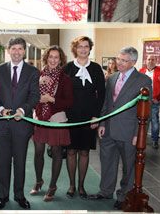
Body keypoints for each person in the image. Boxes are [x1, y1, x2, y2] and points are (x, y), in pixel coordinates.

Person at [89, 47, 152, 210]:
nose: (119, 63)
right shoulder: (112, 78)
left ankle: (124, 196)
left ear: (133, 62)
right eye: (118, 59)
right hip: (108, 129)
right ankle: (105, 191)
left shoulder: (143, 80)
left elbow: (146, 110)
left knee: (129, 167)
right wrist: (102, 123)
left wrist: (140, 133)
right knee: (107, 163)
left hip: (129, 132)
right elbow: (107, 102)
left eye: (123, 60)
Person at [0, 37, 40, 210]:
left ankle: (19, 195)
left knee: (20, 162)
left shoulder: (33, 71)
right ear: (8, 50)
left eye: (20, 49)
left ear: (24, 51)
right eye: (14, 48)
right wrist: (1, 110)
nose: (17, 52)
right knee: (3, 162)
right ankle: (2, 196)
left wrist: (23, 110)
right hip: (3, 125)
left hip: (22, 125)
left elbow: (34, 96)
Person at [63, 36, 105, 199]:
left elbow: (101, 95)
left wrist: (97, 116)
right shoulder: (67, 68)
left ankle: (81, 185)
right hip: (71, 116)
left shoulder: (96, 68)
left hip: (89, 116)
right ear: (75, 49)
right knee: (71, 151)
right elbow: (62, 93)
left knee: (85, 152)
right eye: (80, 46)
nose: (83, 49)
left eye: (86, 46)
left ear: (89, 48)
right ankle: (72, 185)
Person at [30, 46, 74, 201]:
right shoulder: (38, 75)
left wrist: (52, 99)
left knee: (56, 153)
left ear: (61, 60)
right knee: (38, 151)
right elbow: (31, 96)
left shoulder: (65, 79)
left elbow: (69, 102)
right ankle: (38, 180)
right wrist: (38, 92)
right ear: (46, 58)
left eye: (56, 57)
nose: (53, 60)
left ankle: (52, 185)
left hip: (57, 117)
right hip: (40, 117)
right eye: (51, 57)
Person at [139, 54, 160, 149]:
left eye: (152, 60)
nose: (150, 61)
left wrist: (158, 99)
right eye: (149, 59)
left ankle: (154, 140)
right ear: (146, 61)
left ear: (156, 61)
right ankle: (142, 139)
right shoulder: (141, 71)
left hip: (154, 102)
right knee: (141, 121)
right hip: (142, 102)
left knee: (154, 121)